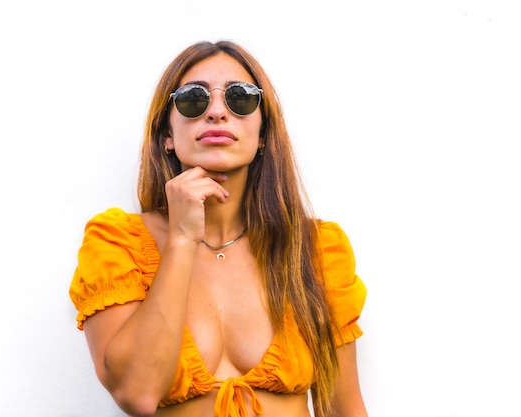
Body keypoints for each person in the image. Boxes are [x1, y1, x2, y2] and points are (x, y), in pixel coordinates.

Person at [69, 40, 368, 417]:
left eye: (240, 98)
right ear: (166, 136)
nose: (215, 112)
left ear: (262, 136)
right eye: (193, 100)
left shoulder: (315, 250)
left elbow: (344, 408)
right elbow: (137, 394)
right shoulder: (117, 244)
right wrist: (181, 240)